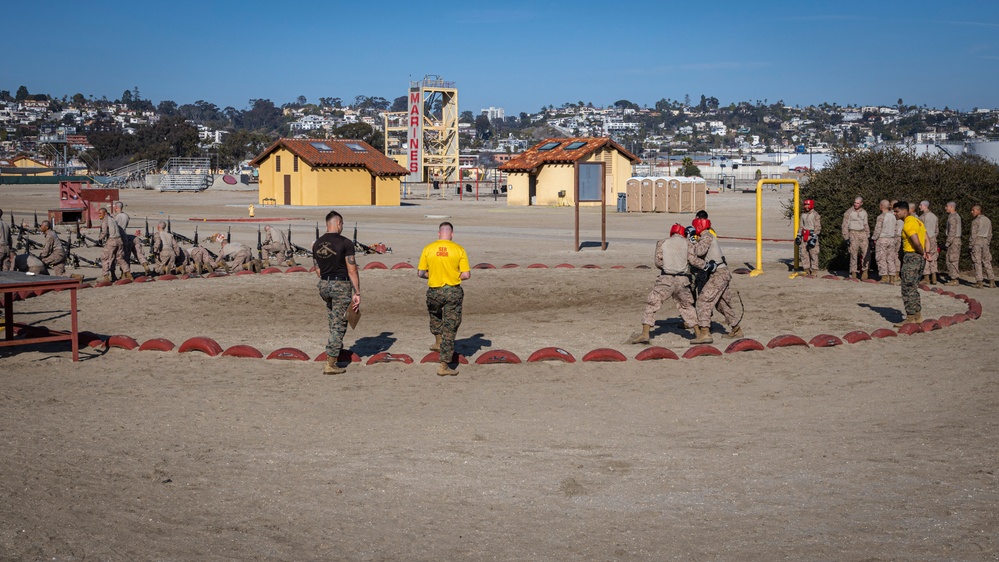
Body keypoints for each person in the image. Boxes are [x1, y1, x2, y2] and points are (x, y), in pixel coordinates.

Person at [417, 222, 471, 376]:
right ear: (452, 234)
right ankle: (444, 365)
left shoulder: (428, 248)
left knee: (435, 314)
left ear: (439, 234)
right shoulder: (459, 249)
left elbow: (420, 273)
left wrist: (433, 275)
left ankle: (437, 340)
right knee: (450, 327)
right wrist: (454, 276)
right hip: (452, 291)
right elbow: (466, 275)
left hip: (433, 291)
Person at [629, 223, 697, 344]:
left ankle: (645, 334)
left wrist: (668, 264)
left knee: (652, 303)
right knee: (687, 306)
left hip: (666, 278)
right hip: (683, 280)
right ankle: (699, 333)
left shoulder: (662, 242)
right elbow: (693, 260)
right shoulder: (688, 243)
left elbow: (658, 262)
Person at [312, 210, 360, 376]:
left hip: (324, 284)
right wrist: (357, 292)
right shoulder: (346, 243)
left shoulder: (316, 244)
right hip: (341, 284)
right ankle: (331, 363)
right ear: (338, 223)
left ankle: (334, 349)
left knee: (333, 319)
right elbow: (352, 270)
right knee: (339, 325)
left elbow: (317, 270)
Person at [688, 217, 742, 344]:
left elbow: (698, 252)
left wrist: (690, 241)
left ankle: (705, 332)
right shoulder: (707, 236)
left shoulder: (706, 236)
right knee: (721, 304)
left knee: (703, 301)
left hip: (719, 274)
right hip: (721, 273)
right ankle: (737, 329)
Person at [893, 201, 928, 327]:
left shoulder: (908, 223)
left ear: (904, 211)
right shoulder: (917, 221)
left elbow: (916, 241)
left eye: (896, 211)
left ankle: (910, 317)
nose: (895, 214)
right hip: (918, 257)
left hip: (912, 256)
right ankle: (918, 316)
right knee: (913, 287)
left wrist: (920, 251)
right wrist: (925, 253)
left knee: (907, 288)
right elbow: (926, 237)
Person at [98, 207, 130, 282]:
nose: (99, 215)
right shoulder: (113, 219)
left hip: (112, 240)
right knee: (120, 258)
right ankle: (127, 273)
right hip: (119, 240)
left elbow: (104, 231)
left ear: (105, 213)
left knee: (105, 258)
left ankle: (106, 276)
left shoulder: (105, 219)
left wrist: (100, 239)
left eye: (100, 213)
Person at [841, 196, 870, 279]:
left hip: (862, 233)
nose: (856, 204)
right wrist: (846, 237)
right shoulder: (849, 212)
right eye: (855, 202)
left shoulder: (864, 212)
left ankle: (865, 271)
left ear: (861, 203)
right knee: (853, 254)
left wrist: (868, 236)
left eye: (858, 203)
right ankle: (853, 272)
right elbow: (845, 225)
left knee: (865, 253)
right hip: (853, 233)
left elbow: (866, 224)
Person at [872, 200, 899, 284]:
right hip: (891, 239)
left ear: (881, 206)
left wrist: (874, 238)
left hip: (882, 238)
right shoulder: (893, 216)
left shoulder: (881, 217)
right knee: (890, 259)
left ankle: (884, 276)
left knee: (881, 258)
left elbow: (878, 229)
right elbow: (896, 229)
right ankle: (892, 277)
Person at [970, 205, 994, 289]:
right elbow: (990, 233)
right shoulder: (988, 220)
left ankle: (979, 281)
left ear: (978, 210)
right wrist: (987, 242)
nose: (972, 212)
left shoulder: (976, 221)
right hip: (985, 241)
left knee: (977, 261)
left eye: (973, 210)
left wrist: (971, 245)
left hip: (977, 241)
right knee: (987, 261)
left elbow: (973, 235)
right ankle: (991, 280)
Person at [796, 199, 821, 275]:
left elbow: (818, 226)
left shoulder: (815, 215)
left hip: (812, 235)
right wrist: (799, 236)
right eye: (805, 205)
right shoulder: (803, 215)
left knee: (813, 253)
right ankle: (806, 268)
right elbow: (801, 226)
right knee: (804, 253)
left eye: (808, 205)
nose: (806, 206)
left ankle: (814, 269)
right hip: (804, 236)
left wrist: (814, 236)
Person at [919, 201, 939, 284]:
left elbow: (920, 229)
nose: (919, 207)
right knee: (933, 257)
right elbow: (937, 230)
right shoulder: (935, 216)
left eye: (920, 205)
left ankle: (926, 278)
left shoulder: (922, 217)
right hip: (933, 238)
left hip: (925, 239)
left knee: (925, 256)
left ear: (924, 206)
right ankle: (934, 277)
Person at [944, 202, 962, 286]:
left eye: (947, 206)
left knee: (953, 259)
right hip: (954, 240)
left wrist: (947, 243)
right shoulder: (954, 216)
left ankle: (954, 279)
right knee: (950, 258)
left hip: (954, 241)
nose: (945, 208)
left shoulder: (953, 217)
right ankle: (953, 277)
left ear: (951, 207)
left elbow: (952, 231)